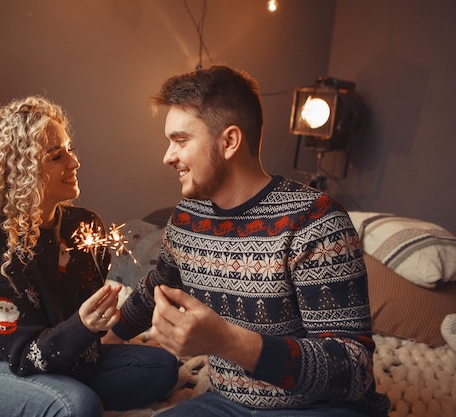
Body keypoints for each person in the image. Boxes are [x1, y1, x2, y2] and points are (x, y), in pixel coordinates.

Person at [102, 66, 390, 417]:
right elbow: (154, 291)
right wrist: (96, 341)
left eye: (180, 140)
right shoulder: (187, 218)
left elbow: (354, 369)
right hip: (226, 404)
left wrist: (228, 342)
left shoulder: (315, 220)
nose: (168, 156)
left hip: (317, 408)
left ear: (229, 142)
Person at [0, 95, 178, 417]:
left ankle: (51, 398)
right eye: (56, 156)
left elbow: (83, 325)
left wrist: (95, 324)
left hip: (59, 356)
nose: (74, 163)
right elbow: (23, 357)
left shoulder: (83, 225)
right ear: (20, 171)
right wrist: (83, 326)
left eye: (70, 150)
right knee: (75, 404)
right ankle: (56, 400)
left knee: (160, 367)